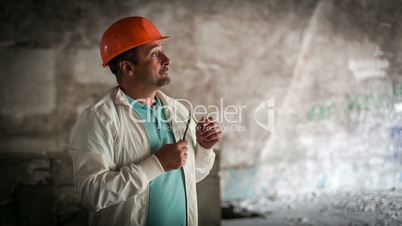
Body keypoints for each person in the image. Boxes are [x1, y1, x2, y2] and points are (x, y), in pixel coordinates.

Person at [68, 16, 222, 226]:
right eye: (155, 54)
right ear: (127, 68)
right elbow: (92, 194)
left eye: (163, 50)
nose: (167, 59)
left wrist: (204, 148)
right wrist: (156, 164)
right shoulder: (98, 119)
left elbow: (190, 177)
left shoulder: (178, 111)